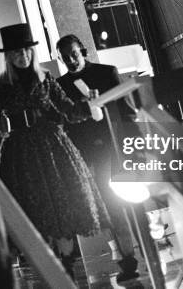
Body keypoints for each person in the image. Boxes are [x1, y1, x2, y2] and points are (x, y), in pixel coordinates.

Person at [0, 24, 111, 278]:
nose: (23, 56)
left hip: (53, 146)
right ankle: (49, 270)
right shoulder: (1, 86)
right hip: (21, 152)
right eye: (17, 52)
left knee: (63, 207)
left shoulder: (46, 78)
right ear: (9, 56)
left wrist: (89, 106)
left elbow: (68, 109)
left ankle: (68, 268)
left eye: (27, 51)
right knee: (35, 211)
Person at [55, 34, 140, 282]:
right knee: (106, 207)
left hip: (114, 147)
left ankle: (134, 253)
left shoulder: (106, 73)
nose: (71, 60)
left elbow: (126, 111)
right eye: (65, 57)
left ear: (82, 51)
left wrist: (134, 144)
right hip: (85, 154)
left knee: (124, 203)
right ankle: (126, 258)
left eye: (74, 54)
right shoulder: (60, 86)